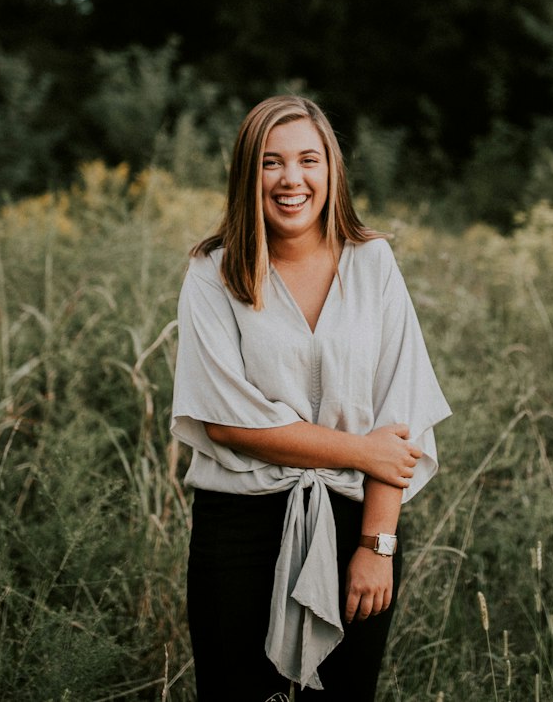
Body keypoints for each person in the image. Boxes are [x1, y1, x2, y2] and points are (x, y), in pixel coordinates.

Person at [171, 94, 451, 700]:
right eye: (271, 162)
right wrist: (360, 450)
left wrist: (378, 546)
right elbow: (225, 421)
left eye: (308, 160)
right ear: (249, 174)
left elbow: (398, 415)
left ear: (332, 170)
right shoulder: (213, 274)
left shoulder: (373, 264)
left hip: (356, 522)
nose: (291, 179)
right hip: (240, 528)